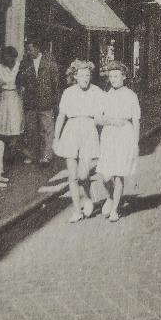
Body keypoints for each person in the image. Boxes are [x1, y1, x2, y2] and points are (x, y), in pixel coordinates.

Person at [53, 59, 103, 222]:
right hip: (71, 131)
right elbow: (61, 116)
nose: (85, 78)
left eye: (87, 75)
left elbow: (101, 115)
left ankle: (87, 198)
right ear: (75, 76)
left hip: (88, 129)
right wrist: (56, 137)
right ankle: (76, 210)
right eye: (81, 75)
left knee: (83, 174)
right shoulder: (68, 93)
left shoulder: (96, 92)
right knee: (72, 176)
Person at [95, 62, 141, 222]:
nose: (113, 79)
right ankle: (110, 197)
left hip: (124, 135)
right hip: (109, 135)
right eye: (111, 76)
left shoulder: (130, 95)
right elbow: (97, 119)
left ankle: (115, 209)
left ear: (124, 77)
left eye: (116, 76)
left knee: (118, 174)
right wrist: (111, 122)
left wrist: (135, 143)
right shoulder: (106, 95)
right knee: (104, 175)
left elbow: (136, 120)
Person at [18, 39, 61, 165]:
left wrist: (55, 102)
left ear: (37, 49)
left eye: (30, 49)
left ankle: (46, 155)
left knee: (47, 129)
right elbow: (19, 80)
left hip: (46, 101)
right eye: (27, 50)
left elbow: (56, 84)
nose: (28, 52)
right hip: (31, 102)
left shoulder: (49, 63)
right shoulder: (25, 63)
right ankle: (31, 154)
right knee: (31, 129)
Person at [0, 45, 24, 170]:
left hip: (16, 98)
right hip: (3, 98)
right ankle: (2, 154)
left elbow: (22, 82)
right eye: (6, 57)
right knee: (2, 126)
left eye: (10, 57)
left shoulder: (19, 65)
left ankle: (12, 152)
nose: (8, 59)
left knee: (15, 125)